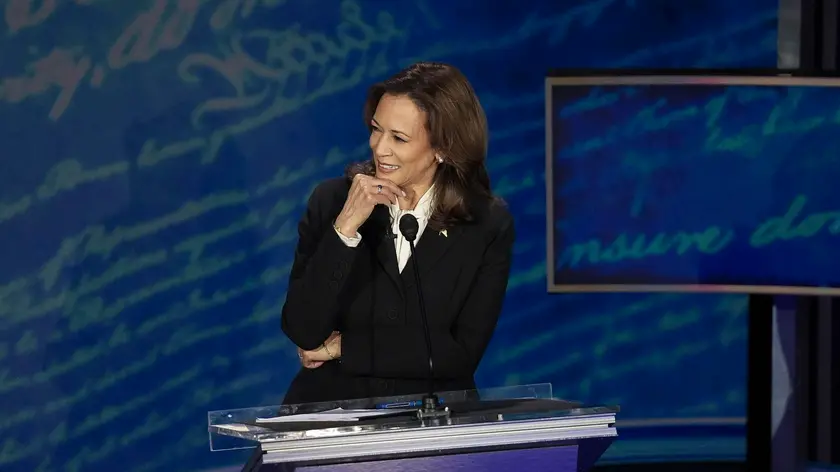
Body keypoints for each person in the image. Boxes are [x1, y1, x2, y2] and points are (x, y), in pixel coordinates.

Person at [280, 61, 515, 405]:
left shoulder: (485, 224)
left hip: (434, 422)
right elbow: (302, 329)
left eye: (399, 138)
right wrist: (345, 228)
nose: (379, 148)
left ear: (443, 148)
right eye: (376, 130)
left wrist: (345, 347)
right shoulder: (331, 202)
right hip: (331, 415)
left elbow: (459, 354)